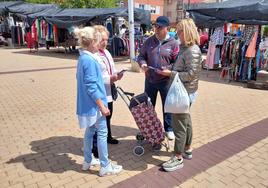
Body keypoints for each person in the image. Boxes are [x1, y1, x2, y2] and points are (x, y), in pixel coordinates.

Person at [75, 26, 122, 176]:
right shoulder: (88, 59)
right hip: (95, 104)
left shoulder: (84, 57)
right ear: (91, 42)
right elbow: (91, 87)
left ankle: (88, 160)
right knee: (102, 132)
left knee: (90, 132)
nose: (100, 43)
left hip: (90, 104)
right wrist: (102, 106)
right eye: (97, 40)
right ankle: (105, 165)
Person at [157, 18, 202, 172]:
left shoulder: (192, 50)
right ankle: (187, 149)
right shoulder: (185, 47)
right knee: (186, 121)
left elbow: (190, 74)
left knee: (179, 125)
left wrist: (170, 73)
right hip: (184, 90)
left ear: (187, 32)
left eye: (180, 31)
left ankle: (178, 157)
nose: (177, 34)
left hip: (185, 92)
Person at [137, 16, 180, 141]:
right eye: (155, 26)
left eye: (159, 27)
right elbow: (141, 56)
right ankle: (148, 128)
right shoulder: (149, 41)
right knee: (148, 105)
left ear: (167, 28)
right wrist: (143, 64)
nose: (156, 29)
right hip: (150, 79)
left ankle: (169, 129)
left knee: (167, 106)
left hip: (166, 81)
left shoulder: (173, 43)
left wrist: (168, 69)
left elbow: (176, 62)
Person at [94, 25, 124, 145]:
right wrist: (110, 78)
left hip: (109, 89)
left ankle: (107, 136)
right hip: (100, 91)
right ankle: (96, 144)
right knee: (100, 118)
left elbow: (111, 68)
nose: (105, 42)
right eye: (103, 40)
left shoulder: (106, 52)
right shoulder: (94, 55)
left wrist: (117, 74)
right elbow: (95, 76)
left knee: (109, 114)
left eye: (107, 39)